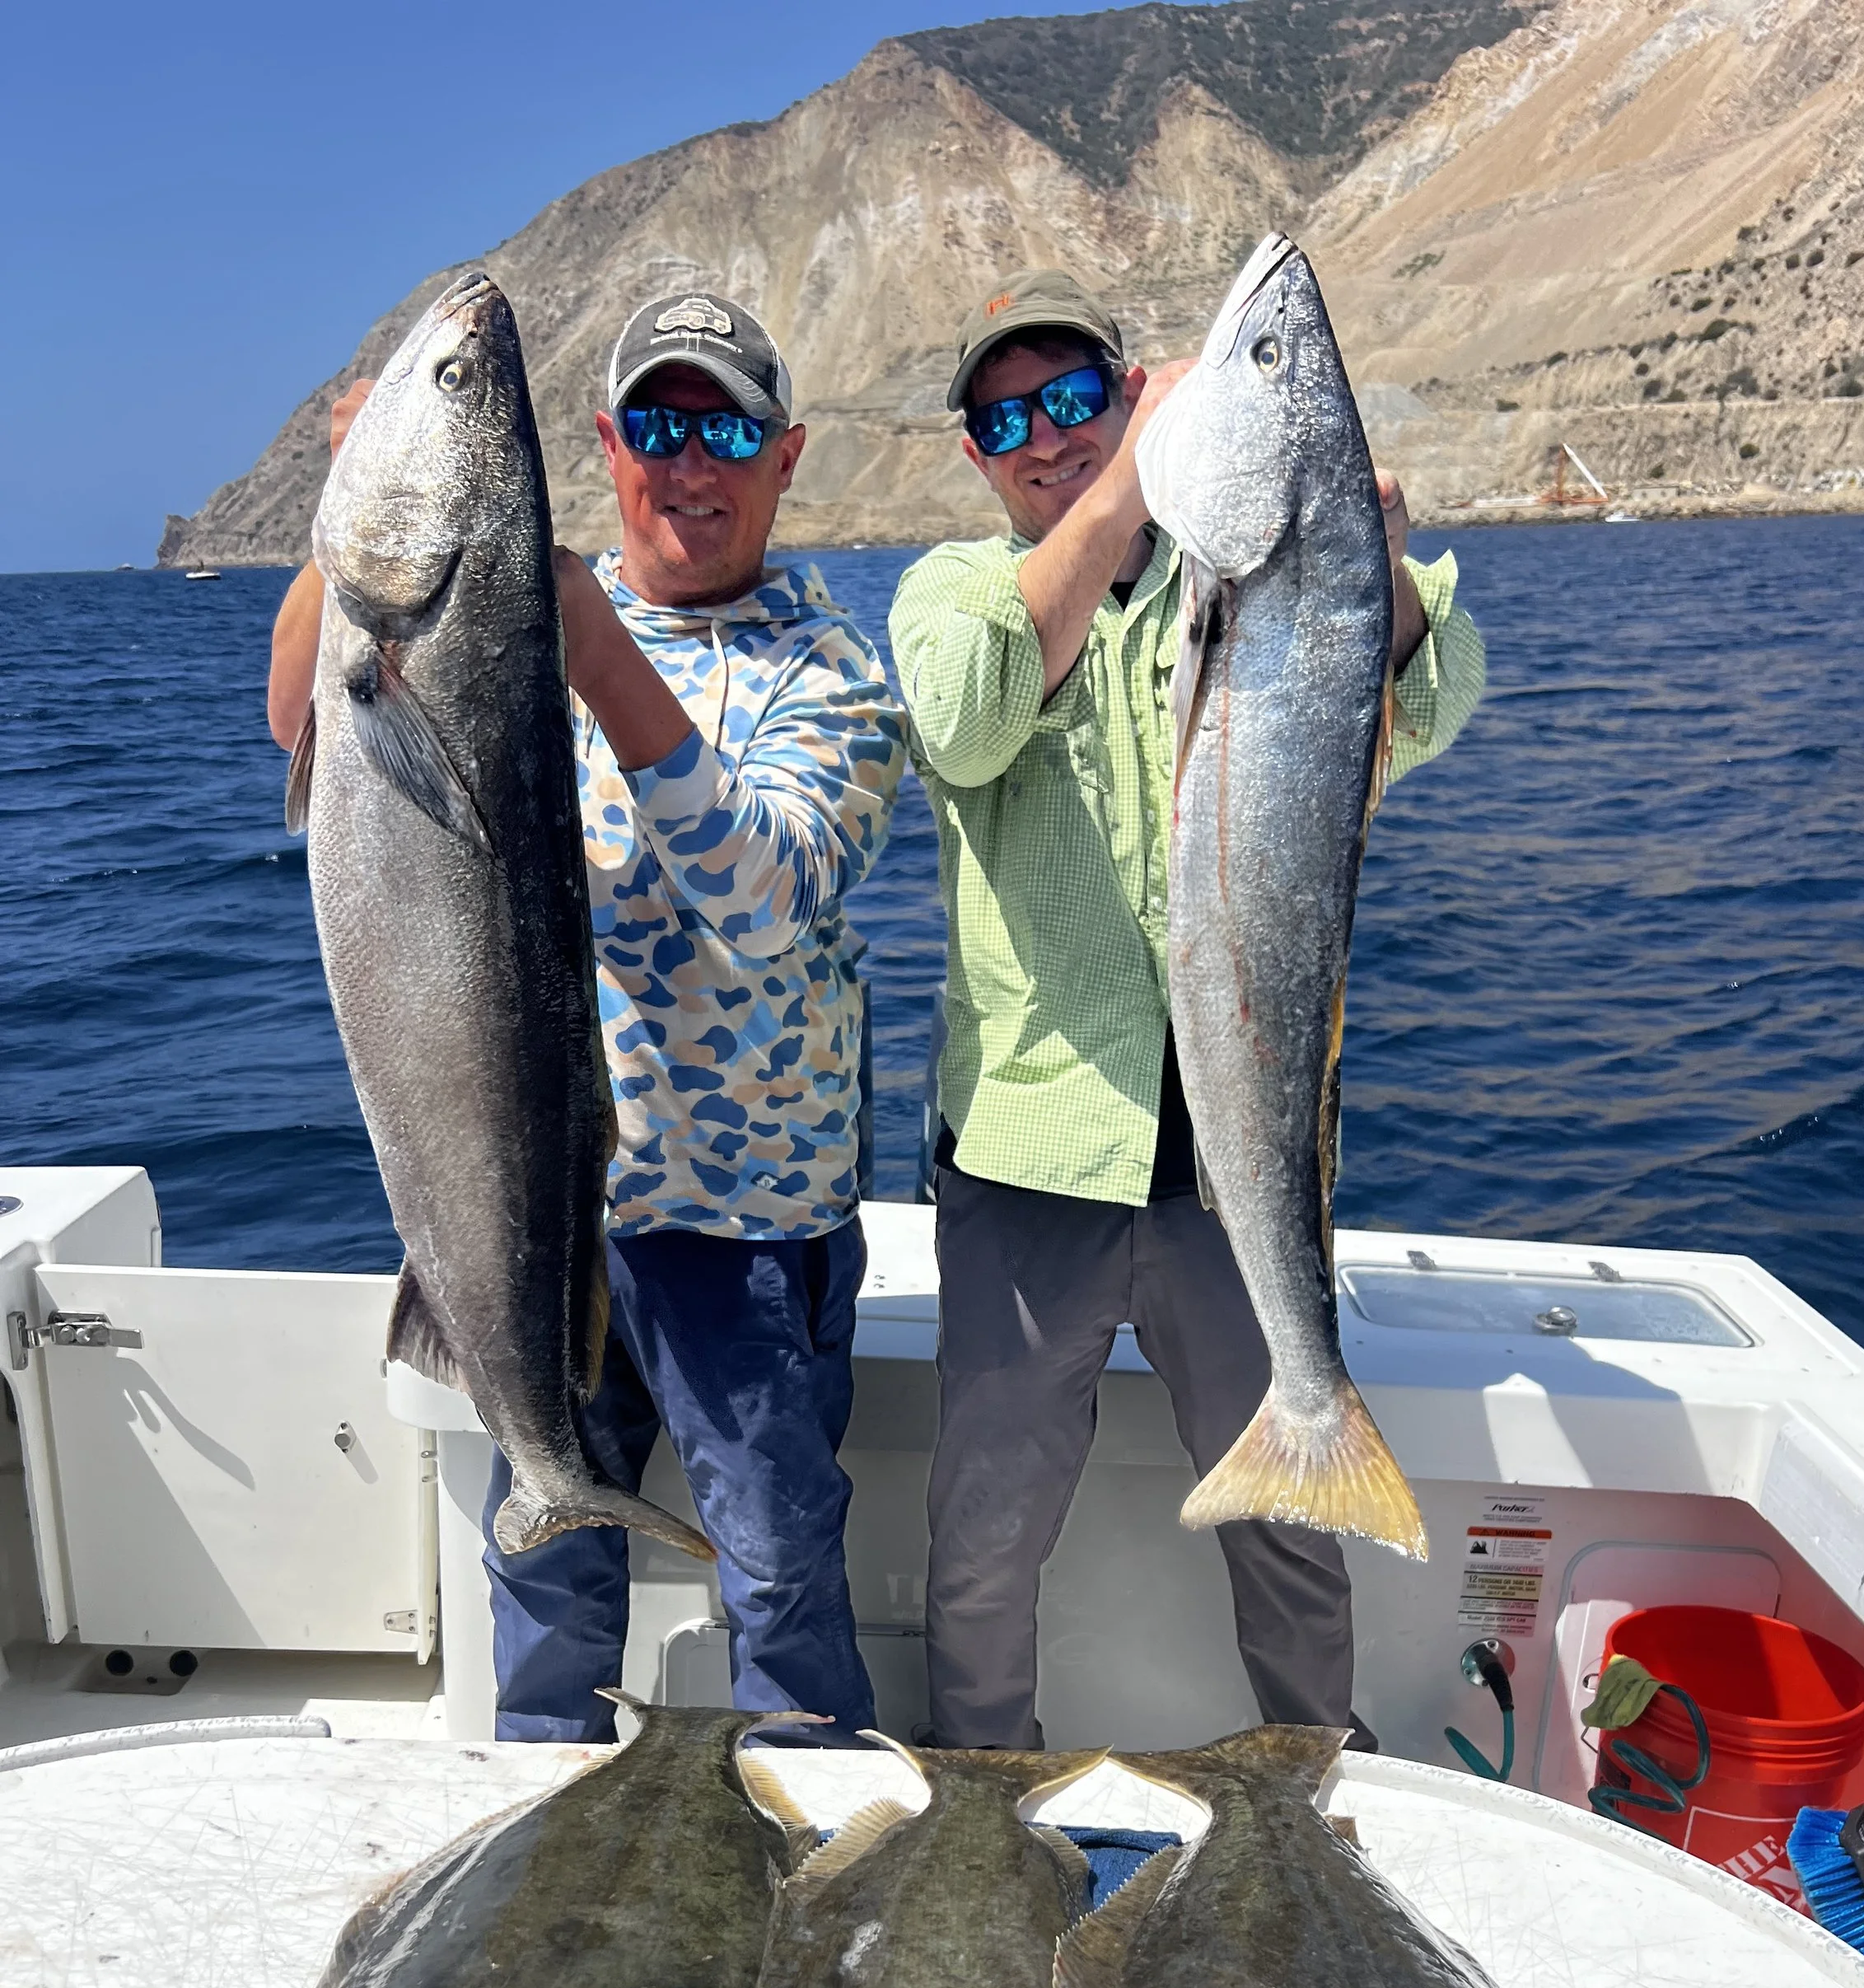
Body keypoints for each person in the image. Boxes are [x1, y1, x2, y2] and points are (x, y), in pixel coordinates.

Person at [269, 292, 906, 1742]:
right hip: (537, 1200)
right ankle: (538, 1821)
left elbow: (764, 897)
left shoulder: (833, 672)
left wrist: (597, 652)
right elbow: (302, 725)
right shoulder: (486, 615)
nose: (693, 467)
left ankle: (807, 1837)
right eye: (663, 428)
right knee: (546, 1580)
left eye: (728, 431)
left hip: (749, 1216)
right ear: (610, 447)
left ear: (785, 455)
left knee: (780, 1567)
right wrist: (347, 513)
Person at [889, 266, 1486, 1752]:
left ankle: (1314, 1796)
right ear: (972, 451)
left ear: (1133, 396)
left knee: (1291, 1531)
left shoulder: (1228, 591)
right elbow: (963, 721)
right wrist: (1136, 482)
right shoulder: (954, 595)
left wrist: (1370, 570)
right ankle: (978, 1804)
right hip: (1031, 1164)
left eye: (1079, 398)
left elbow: (1433, 705)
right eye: (1004, 415)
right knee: (986, 1535)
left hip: (1246, 1168)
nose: (1045, 433)